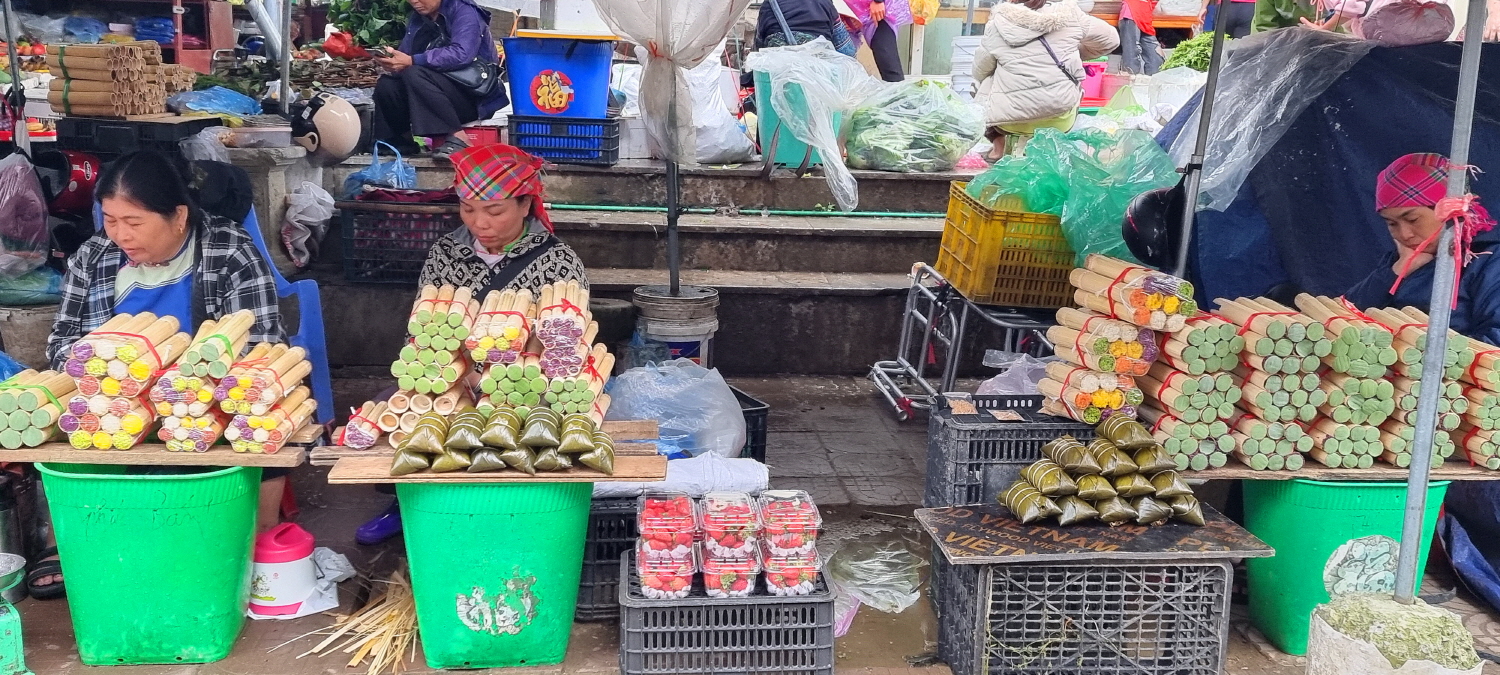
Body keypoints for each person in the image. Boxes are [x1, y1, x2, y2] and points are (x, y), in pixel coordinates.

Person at [37, 151, 288, 600]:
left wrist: (183, 378)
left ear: (178, 216)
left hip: (201, 406)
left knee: (257, 413)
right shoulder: (94, 258)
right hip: (116, 403)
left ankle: (254, 531)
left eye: (134, 222)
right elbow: (60, 344)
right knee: (59, 428)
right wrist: (107, 369)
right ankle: (72, 542)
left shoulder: (227, 252)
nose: (120, 235)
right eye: (111, 220)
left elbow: (265, 342)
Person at [356, 144, 588, 545]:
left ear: (526, 205)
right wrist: (455, 367)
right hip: (451, 374)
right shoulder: (445, 253)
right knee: (397, 406)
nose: (480, 222)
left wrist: (508, 365)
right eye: (467, 208)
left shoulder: (558, 261)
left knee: (536, 421)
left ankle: (525, 511)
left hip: (526, 381)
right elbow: (420, 327)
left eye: (495, 211)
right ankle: (408, 504)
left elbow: (569, 343)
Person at [1345, 153, 1500, 346]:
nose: (1404, 234)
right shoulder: (1400, 259)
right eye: (1392, 223)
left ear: (1450, 210)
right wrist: (1396, 271)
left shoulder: (1488, 260)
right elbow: (1345, 315)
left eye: (1412, 220)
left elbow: (1495, 340)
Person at [972, 0, 1119, 161]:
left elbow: (980, 70)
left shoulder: (997, 24)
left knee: (981, 82)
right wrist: (1075, 53)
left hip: (1008, 122)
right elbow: (1111, 40)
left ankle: (998, 148)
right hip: (1060, 116)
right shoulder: (1071, 15)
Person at [371, 0, 508, 159]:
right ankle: (401, 140)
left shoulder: (465, 11)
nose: (414, 1)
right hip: (435, 89)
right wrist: (393, 61)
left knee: (414, 73)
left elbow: (461, 54)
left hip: (473, 95)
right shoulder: (418, 18)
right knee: (387, 85)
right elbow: (407, 54)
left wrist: (412, 61)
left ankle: (459, 137)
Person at [755, 0, 860, 56]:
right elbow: (846, 51)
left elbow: (759, 48)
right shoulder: (825, 3)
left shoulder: (768, 5)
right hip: (818, 82)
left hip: (778, 82)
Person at [846, 0, 912, 81]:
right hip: (842, 10)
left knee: (888, 62)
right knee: (838, 62)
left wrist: (878, 1)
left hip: (876, 9)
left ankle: (898, 91)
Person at [1118, 0, 1163, 74]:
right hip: (1130, 14)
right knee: (1131, 53)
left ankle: (1154, 81)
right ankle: (1129, 82)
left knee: (1156, 57)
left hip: (1145, 18)